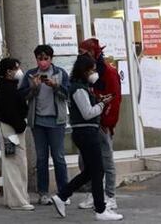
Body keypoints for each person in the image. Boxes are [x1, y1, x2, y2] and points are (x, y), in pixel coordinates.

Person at [49, 54, 124, 221]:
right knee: (98, 170)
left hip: (85, 132)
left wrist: (98, 101)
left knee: (91, 171)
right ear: (84, 71)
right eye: (91, 70)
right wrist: (102, 104)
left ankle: (62, 196)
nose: (94, 73)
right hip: (86, 133)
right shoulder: (79, 88)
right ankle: (100, 209)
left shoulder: (81, 87)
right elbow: (88, 113)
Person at [17, 44, 70, 205]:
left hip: (56, 121)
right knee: (41, 158)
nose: (43, 62)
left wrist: (55, 86)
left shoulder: (60, 73)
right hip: (37, 121)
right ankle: (43, 193)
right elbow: (21, 96)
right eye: (40, 59)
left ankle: (64, 193)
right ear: (36, 59)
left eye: (46, 58)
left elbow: (67, 94)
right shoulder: (31, 74)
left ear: (51, 59)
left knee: (59, 157)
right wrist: (33, 88)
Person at [76, 38, 122, 212]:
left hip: (101, 123)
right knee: (84, 161)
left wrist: (108, 123)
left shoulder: (108, 72)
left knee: (106, 160)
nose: (80, 56)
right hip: (88, 122)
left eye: (83, 53)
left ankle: (110, 196)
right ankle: (92, 194)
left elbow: (115, 99)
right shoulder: (84, 73)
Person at [0, 57, 34, 211]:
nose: (19, 71)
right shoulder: (6, 88)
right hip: (11, 129)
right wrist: (21, 126)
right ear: (8, 72)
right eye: (16, 68)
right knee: (15, 164)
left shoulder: (9, 86)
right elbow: (11, 111)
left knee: (15, 163)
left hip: (11, 128)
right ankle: (18, 200)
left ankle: (15, 198)